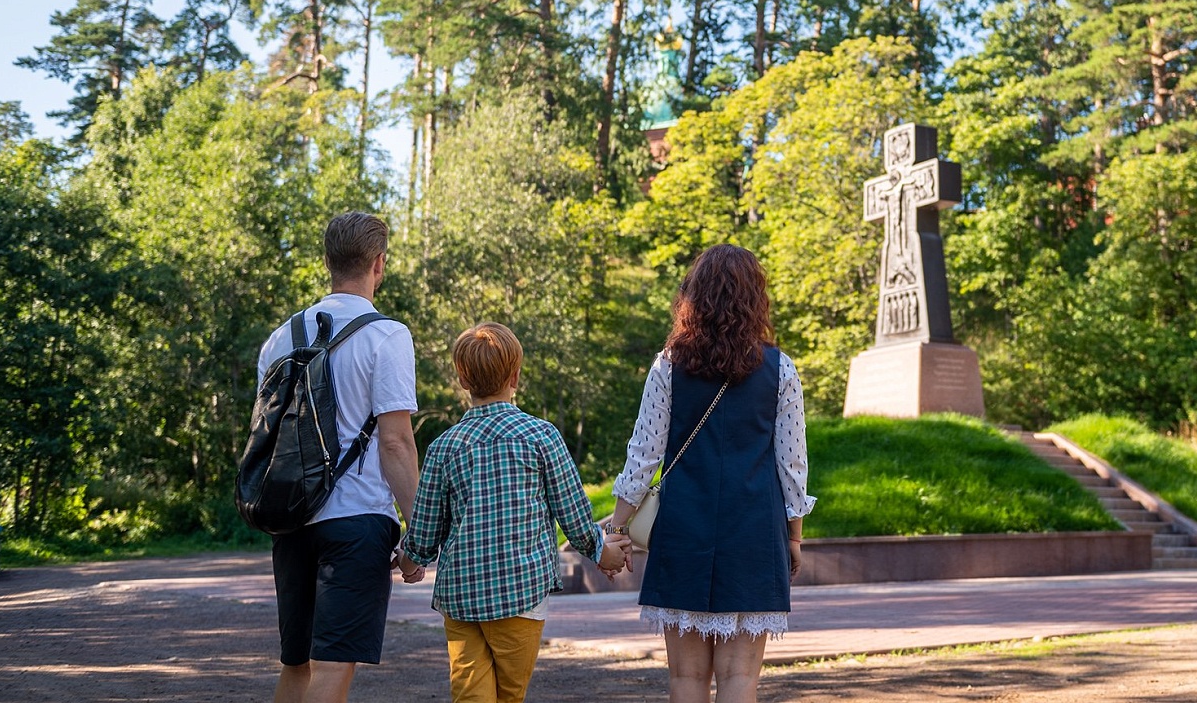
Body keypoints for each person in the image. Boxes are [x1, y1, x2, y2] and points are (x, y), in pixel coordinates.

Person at [606, 244, 815, 703]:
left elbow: (642, 457)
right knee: (740, 677)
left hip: (683, 531)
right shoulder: (781, 369)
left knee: (685, 678)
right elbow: (792, 466)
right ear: (755, 299)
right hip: (754, 532)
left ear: (692, 297)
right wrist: (795, 536)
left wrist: (618, 529)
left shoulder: (668, 365)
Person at [399, 322, 629, 703]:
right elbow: (573, 515)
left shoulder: (444, 447)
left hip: (462, 596)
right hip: (521, 594)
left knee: (470, 695)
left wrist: (409, 562)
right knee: (509, 694)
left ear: (462, 379)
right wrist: (602, 552)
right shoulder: (541, 437)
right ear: (516, 376)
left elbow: (424, 532)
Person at [255, 211, 421, 703]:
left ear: (328, 261)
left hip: (291, 516)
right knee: (332, 665)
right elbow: (395, 442)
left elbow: (266, 433)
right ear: (379, 263)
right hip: (357, 519)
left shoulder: (281, 337)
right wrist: (419, 530)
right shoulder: (387, 335)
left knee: (297, 664)